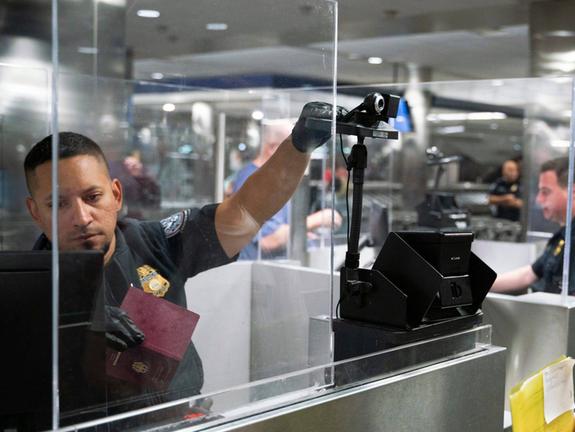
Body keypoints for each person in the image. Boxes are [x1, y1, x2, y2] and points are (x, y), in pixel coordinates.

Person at [22, 102, 338, 417]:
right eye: (59, 204)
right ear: (36, 213)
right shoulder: (22, 291)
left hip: (178, 419)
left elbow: (244, 212)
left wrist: (298, 146)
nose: (81, 217)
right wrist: (73, 328)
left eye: (92, 197)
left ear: (116, 196)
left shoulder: (155, 243)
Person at [491, 157, 575, 296]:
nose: (538, 199)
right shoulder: (567, 231)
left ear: (574, 192)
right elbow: (530, 274)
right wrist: (482, 286)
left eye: (545, 192)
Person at [230, 120, 340, 259]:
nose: (302, 158)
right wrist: (318, 219)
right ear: (272, 148)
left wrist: (302, 232)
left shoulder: (273, 178)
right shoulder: (259, 181)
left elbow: (282, 228)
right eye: (296, 150)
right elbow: (268, 240)